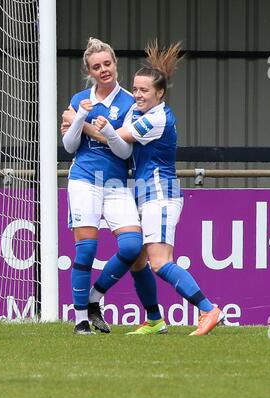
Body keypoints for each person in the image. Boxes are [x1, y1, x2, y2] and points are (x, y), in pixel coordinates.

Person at [91, 40, 225, 336]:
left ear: (160, 93)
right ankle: (154, 319)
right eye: (135, 89)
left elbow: (118, 137)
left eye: (144, 91)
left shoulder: (157, 117)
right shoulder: (140, 111)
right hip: (142, 194)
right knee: (138, 260)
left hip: (160, 194)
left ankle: (208, 309)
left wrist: (79, 123)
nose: (137, 95)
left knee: (160, 262)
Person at [62, 38, 166, 335]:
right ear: (89, 71)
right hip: (83, 180)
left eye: (107, 64)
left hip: (117, 183)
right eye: (97, 67)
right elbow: (69, 147)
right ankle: (81, 319)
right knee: (86, 250)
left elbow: (125, 152)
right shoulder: (79, 99)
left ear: (115, 64)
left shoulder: (130, 103)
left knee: (133, 247)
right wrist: (80, 115)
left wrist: (99, 129)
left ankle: (94, 297)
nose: (104, 69)